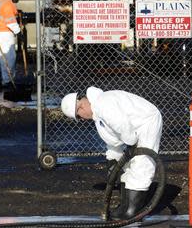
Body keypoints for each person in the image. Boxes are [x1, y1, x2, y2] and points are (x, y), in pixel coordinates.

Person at [60, 87, 163, 219]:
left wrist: (131, 144)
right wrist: (113, 160)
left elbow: (123, 127)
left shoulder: (104, 104)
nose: (82, 119)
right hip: (136, 129)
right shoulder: (98, 116)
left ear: (80, 108)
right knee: (129, 168)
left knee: (143, 164)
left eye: (79, 117)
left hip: (147, 122)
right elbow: (113, 140)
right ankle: (125, 207)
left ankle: (132, 210)